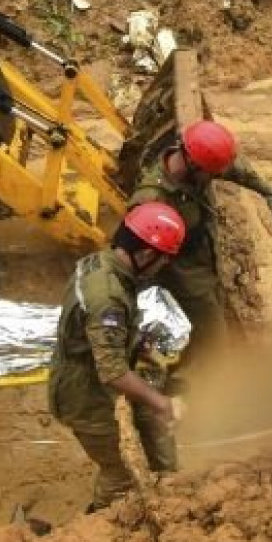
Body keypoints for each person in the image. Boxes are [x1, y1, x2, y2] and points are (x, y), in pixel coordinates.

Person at [48, 202, 189, 512]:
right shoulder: (108, 298)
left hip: (87, 375)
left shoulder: (99, 263)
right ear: (145, 253)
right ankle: (96, 531)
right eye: (162, 258)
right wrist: (161, 403)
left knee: (150, 444)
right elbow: (112, 371)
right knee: (121, 474)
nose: (163, 266)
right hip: (85, 394)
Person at [129, 119, 272, 356]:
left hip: (207, 262)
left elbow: (233, 167)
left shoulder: (195, 167)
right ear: (192, 163)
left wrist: (270, 192)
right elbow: (133, 258)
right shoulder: (151, 201)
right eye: (211, 173)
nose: (216, 177)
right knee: (212, 342)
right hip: (184, 280)